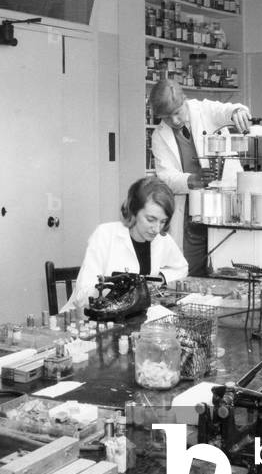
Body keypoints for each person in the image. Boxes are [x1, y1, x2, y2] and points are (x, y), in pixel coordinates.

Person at [148, 79, 251, 275]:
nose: (175, 121)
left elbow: (228, 110)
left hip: (224, 204)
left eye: (177, 113)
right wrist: (191, 179)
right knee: (190, 266)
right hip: (192, 210)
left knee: (227, 262)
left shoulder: (204, 110)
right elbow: (165, 175)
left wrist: (238, 112)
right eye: (167, 118)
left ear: (185, 101)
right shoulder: (159, 136)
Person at [63, 177, 188, 313]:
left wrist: (160, 278)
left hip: (131, 317)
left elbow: (181, 268)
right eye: (151, 219)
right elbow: (82, 295)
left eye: (163, 221)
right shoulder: (105, 235)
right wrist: (116, 291)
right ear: (133, 211)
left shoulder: (161, 239)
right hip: (88, 318)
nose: (157, 229)